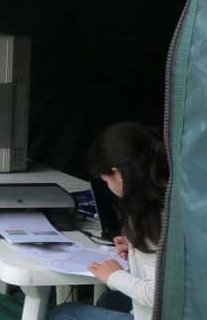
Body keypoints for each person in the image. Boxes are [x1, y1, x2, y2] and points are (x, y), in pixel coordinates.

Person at [51, 123, 167, 320]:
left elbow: (159, 295)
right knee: (110, 300)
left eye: (106, 180)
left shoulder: (153, 220)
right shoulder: (168, 203)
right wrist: (134, 248)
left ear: (118, 174)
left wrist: (115, 276)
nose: (108, 186)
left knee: (64, 314)